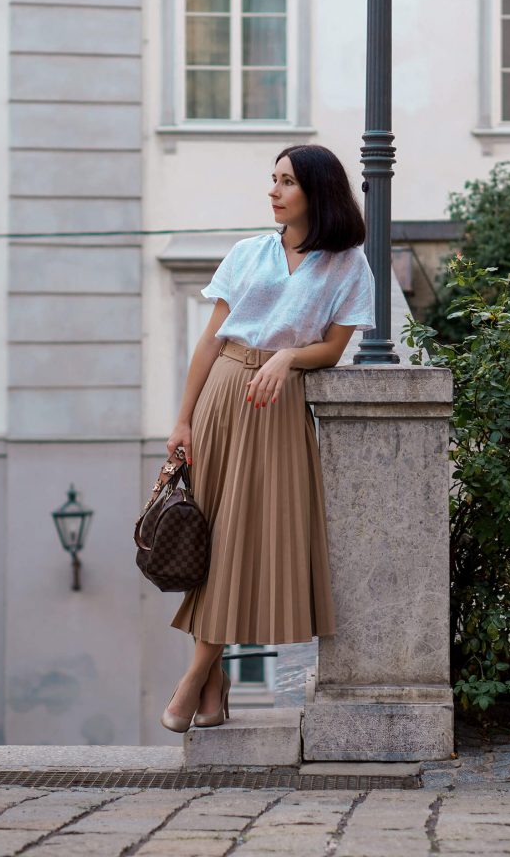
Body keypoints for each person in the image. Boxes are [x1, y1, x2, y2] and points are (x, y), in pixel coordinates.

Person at [160, 143, 375, 733]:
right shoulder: (248, 252)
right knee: (209, 541)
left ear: (317, 192)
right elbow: (209, 340)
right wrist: (182, 420)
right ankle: (213, 681)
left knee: (241, 540)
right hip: (223, 395)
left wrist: (286, 358)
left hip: (277, 408)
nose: (273, 191)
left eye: (287, 182)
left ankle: (197, 677)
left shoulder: (347, 264)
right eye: (272, 179)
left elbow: (333, 349)